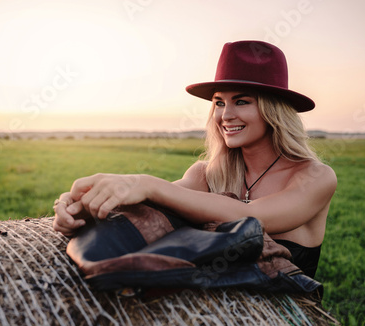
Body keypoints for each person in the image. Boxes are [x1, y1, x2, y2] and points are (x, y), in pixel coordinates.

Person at [53, 40, 337, 278]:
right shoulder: (206, 174)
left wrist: (148, 183)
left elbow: (253, 219)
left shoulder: (314, 177)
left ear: (273, 110)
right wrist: (78, 204)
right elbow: (149, 204)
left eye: (242, 101)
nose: (226, 116)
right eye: (218, 102)